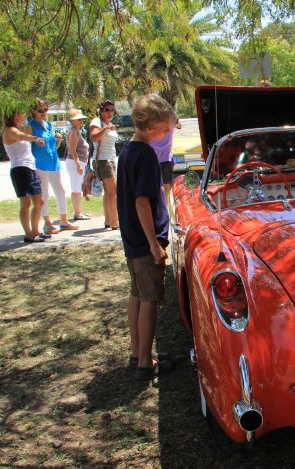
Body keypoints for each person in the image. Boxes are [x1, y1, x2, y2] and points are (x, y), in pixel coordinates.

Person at [116, 94, 177, 380]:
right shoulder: (147, 155)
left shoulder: (128, 150)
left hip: (132, 238)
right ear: (151, 126)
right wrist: (154, 244)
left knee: (137, 294)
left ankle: (137, 351)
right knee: (150, 299)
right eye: (165, 129)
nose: (167, 134)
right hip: (145, 242)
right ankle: (144, 363)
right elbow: (142, 202)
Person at [26, 99, 79, 234]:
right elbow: (27, 146)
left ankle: (64, 221)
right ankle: (47, 224)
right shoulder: (30, 126)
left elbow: (52, 145)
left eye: (45, 109)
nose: (44, 112)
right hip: (39, 164)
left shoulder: (48, 124)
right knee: (44, 194)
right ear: (33, 111)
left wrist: (57, 139)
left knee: (60, 191)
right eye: (40, 110)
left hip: (53, 162)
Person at [3, 110, 48, 243]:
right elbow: (22, 136)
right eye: (21, 113)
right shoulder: (10, 130)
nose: (23, 115)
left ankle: (36, 231)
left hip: (29, 168)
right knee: (26, 203)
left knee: (39, 201)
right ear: (13, 115)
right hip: (20, 169)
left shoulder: (17, 129)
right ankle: (29, 235)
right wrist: (35, 138)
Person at [90, 100, 120, 230]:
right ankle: (115, 222)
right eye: (107, 110)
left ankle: (109, 221)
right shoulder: (97, 122)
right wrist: (105, 128)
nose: (110, 112)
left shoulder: (109, 123)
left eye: (112, 110)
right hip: (103, 160)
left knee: (109, 192)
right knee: (113, 192)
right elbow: (94, 137)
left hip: (110, 159)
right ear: (101, 111)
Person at [64, 108, 92, 220]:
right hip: (75, 162)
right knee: (75, 188)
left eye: (81, 119)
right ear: (72, 121)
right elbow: (73, 150)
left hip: (79, 162)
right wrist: (78, 165)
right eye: (78, 119)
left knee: (77, 187)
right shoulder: (73, 133)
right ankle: (77, 213)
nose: (80, 121)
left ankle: (80, 211)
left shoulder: (77, 132)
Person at [149, 119, 181, 207]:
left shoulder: (170, 121)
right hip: (152, 157)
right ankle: (159, 208)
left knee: (166, 187)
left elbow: (179, 126)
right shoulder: (151, 121)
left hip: (165, 157)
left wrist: (175, 120)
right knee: (156, 186)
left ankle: (165, 209)